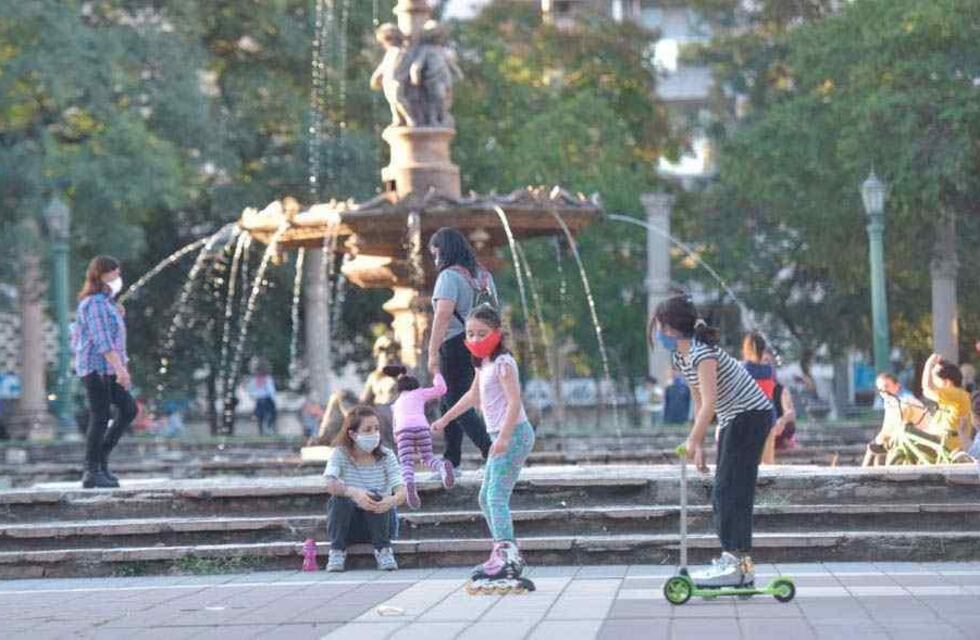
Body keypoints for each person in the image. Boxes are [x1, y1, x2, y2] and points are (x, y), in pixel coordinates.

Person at [651, 294, 773, 588]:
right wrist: (700, 445)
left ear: (669, 328)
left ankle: (738, 565)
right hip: (735, 418)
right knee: (724, 491)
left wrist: (692, 441)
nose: (656, 333)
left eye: (657, 326)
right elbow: (698, 399)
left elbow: (710, 403)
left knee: (732, 491)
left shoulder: (702, 353)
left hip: (750, 415)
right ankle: (735, 562)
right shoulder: (682, 355)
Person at [432, 304, 535, 583]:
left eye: (482, 333)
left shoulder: (503, 363)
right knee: (484, 497)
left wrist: (502, 438)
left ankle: (507, 556)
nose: (475, 339)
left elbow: (515, 402)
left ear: (497, 333)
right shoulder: (484, 363)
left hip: (513, 434)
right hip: (499, 435)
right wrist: (445, 420)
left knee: (495, 496)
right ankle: (504, 552)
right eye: (470, 334)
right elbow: (472, 397)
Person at [426, 227, 494, 469]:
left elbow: (443, 315)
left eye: (436, 254)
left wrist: (432, 352)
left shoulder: (449, 277)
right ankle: (451, 458)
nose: (435, 259)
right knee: (450, 400)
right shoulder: (483, 276)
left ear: (444, 252)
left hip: (454, 343)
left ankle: (490, 450)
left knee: (456, 401)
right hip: (481, 343)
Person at [72, 256, 137, 489]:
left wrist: (121, 367)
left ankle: (100, 461)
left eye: (118, 274)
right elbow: (103, 342)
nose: (118, 278)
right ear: (100, 275)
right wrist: (121, 370)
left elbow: (118, 343)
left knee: (129, 409)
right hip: (97, 368)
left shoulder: (108, 304)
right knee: (100, 417)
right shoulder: (95, 304)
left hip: (109, 369)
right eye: (113, 274)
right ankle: (91, 471)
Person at [322, 405, 406, 572]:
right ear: (353, 434)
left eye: (376, 429)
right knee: (339, 499)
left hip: (380, 523)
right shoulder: (340, 454)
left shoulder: (387, 455)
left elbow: (401, 489)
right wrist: (354, 492)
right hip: (349, 526)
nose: (374, 434)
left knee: (376, 496)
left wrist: (392, 500)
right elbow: (329, 484)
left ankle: (383, 551)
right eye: (367, 430)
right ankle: (337, 551)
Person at [388, 366, 454, 508]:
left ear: (399, 390)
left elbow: (394, 423)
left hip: (402, 430)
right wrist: (437, 373)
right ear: (416, 385)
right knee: (428, 457)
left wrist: (395, 436)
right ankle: (443, 468)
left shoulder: (396, 403)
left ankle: (409, 484)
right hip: (421, 427)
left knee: (406, 462)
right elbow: (441, 390)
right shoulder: (419, 393)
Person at [921, 354, 973, 454]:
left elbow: (927, 388)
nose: (933, 382)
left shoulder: (956, 394)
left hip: (948, 445)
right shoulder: (951, 397)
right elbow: (926, 391)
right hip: (943, 441)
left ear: (947, 382)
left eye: (934, 378)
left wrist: (929, 364)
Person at [246, 357, 277, 435]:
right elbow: (251, 391)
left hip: (267, 400)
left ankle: (268, 430)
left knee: (269, 416)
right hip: (261, 400)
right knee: (260, 417)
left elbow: (271, 390)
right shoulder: (254, 380)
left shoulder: (267, 379)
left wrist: (272, 397)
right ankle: (262, 431)